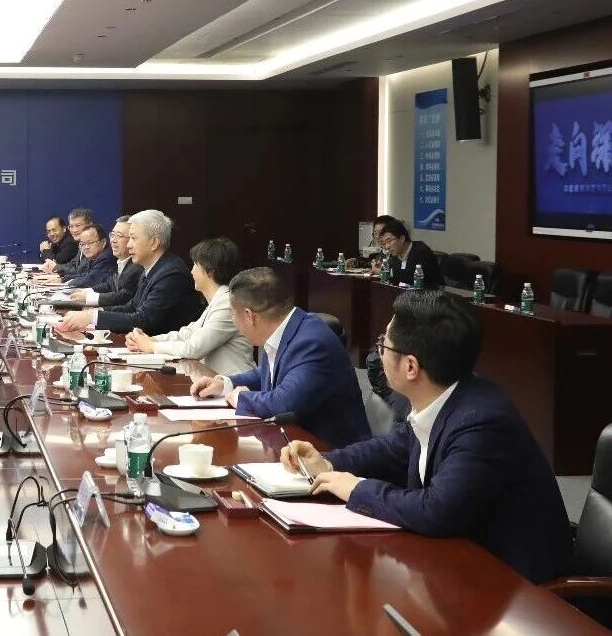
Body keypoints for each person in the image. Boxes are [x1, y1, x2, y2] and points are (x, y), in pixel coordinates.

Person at [280, 291, 572, 583]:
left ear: (411, 367)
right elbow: (394, 448)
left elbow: (436, 510)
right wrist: (328, 463)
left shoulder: (480, 421)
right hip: (457, 561)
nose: (379, 353)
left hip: (514, 585)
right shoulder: (443, 394)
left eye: (383, 345)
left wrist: (358, 489)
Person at [191, 267, 370, 447]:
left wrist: (242, 398)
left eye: (232, 314)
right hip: (295, 444)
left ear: (249, 316)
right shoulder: (289, 328)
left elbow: (284, 403)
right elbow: (265, 373)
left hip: (333, 453)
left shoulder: (312, 342)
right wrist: (225, 384)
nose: (233, 322)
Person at [55, 209, 201, 336]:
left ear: (154, 243)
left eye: (133, 238)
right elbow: (131, 307)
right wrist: (89, 313)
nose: (129, 245)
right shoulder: (152, 267)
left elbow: (144, 321)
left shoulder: (171, 274)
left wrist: (92, 317)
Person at [126, 237, 254, 376]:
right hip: (215, 380)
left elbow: (194, 348)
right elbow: (187, 334)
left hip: (236, 383)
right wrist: (151, 339)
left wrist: (151, 346)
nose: (191, 271)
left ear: (210, 270)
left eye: (195, 265)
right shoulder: (219, 300)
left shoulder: (227, 303)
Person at [69, 216, 142, 308]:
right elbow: (110, 285)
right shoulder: (121, 261)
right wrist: (85, 292)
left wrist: (89, 299)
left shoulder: (136, 266)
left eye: (119, 236)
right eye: (112, 235)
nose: (113, 240)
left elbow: (124, 297)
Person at [377, 219, 443, 287]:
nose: (387, 246)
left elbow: (412, 279)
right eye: (384, 243)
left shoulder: (421, 252)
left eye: (389, 241)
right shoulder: (395, 255)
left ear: (402, 238)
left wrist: (388, 273)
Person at [43, 208, 95, 277]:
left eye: (78, 225)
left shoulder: (94, 244)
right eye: (71, 226)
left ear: (90, 225)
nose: (74, 230)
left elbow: (80, 272)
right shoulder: (81, 244)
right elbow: (72, 265)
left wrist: (56, 267)